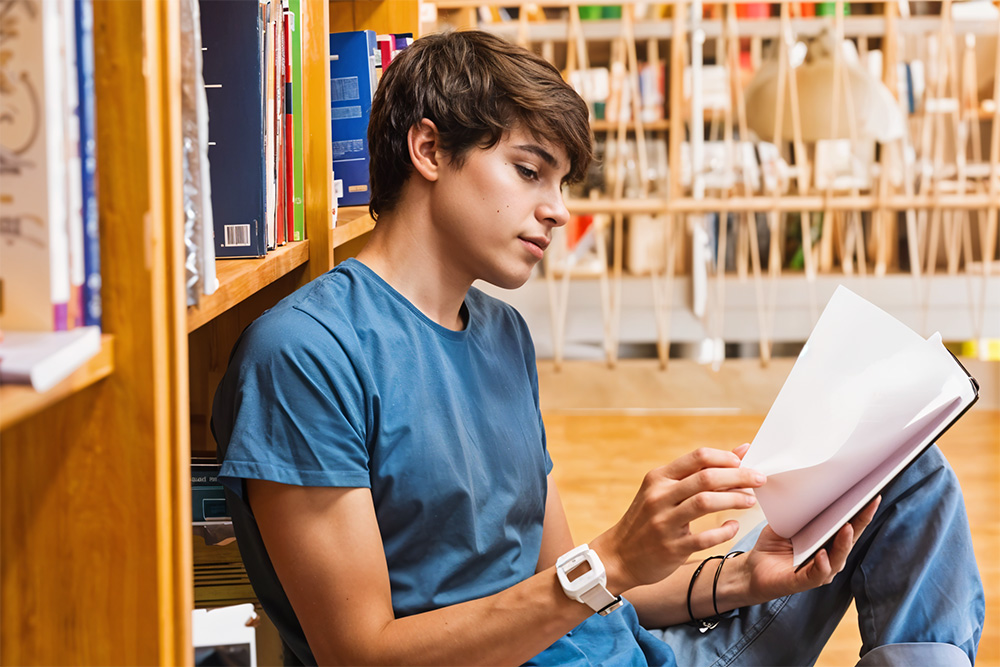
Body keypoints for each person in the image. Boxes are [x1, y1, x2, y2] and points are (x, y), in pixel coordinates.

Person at [211, 30, 985, 667]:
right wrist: (611, 556)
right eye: (528, 171)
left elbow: (563, 585)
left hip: (636, 650)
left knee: (906, 467)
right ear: (428, 148)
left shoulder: (500, 332)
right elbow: (362, 655)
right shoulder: (304, 355)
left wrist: (742, 577)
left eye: (563, 183)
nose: (556, 212)